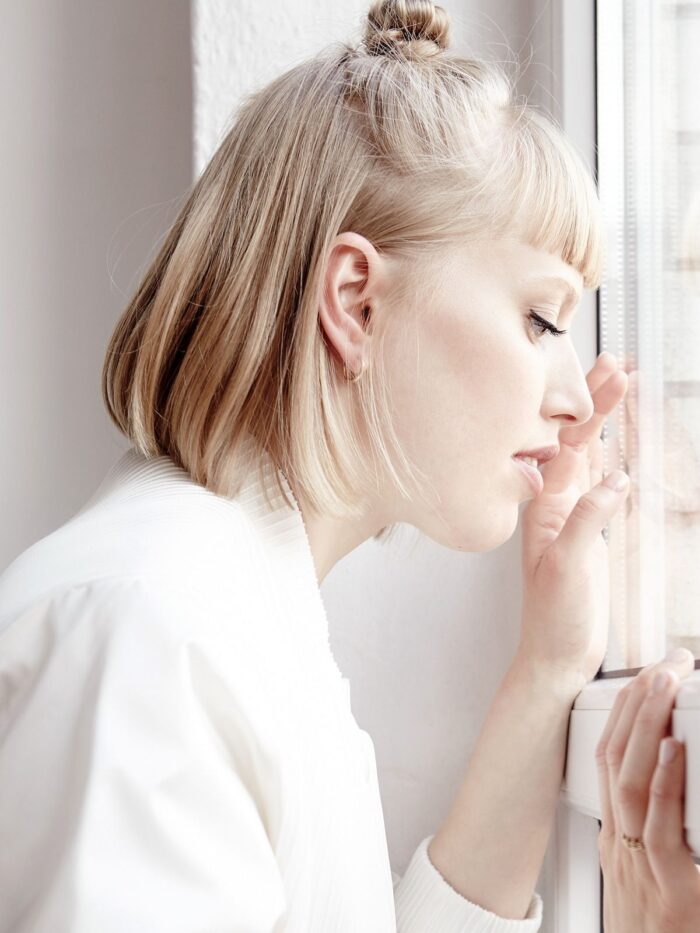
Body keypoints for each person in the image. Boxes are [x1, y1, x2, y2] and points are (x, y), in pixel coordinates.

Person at [0, 1, 698, 930]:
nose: (576, 396)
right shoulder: (155, 639)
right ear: (356, 301)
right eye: (541, 320)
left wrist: (551, 666)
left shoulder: (232, 611)